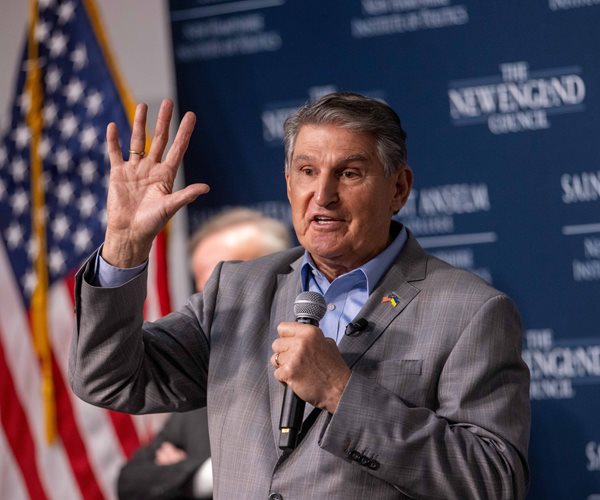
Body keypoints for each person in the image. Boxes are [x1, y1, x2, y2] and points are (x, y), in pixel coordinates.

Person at [69, 92, 530, 499]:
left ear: (399, 188)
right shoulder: (237, 289)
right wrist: (124, 246)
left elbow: (493, 481)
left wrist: (341, 392)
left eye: (349, 173)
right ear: (289, 184)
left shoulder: (470, 311)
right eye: (307, 171)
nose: (323, 195)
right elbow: (109, 379)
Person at [117, 208, 292, 499]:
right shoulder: (207, 384)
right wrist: (204, 475)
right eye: (203, 292)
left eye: (225, 287)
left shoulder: (316, 375)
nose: (208, 308)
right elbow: (132, 482)